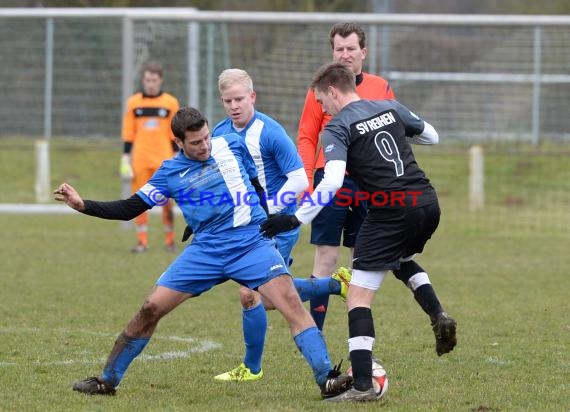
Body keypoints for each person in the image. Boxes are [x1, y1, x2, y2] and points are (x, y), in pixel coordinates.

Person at [54, 106, 352, 399]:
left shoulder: (232, 144)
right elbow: (131, 208)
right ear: (179, 143)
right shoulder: (170, 173)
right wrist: (84, 205)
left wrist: (262, 214)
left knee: (289, 303)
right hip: (206, 250)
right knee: (150, 307)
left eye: (207, 137)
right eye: (196, 142)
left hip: (250, 242)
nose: (205, 146)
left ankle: (326, 378)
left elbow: (255, 182)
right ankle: (108, 380)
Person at [261, 62, 458, 402]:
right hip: (425, 201)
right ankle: (438, 314)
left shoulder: (337, 128)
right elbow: (431, 135)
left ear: (333, 92)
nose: (322, 109)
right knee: (402, 259)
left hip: (391, 212)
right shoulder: (388, 106)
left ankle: (364, 385)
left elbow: (333, 180)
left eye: (322, 102)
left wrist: (295, 219)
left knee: (357, 296)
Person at [189, 68, 352, 382]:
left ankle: (251, 368)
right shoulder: (220, 134)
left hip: (277, 224)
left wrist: (268, 210)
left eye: (239, 98)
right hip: (247, 226)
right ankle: (335, 285)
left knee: (252, 294)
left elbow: (299, 179)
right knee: (267, 295)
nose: (234, 105)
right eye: (227, 100)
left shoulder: (270, 132)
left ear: (252, 97)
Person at [297, 22, 395, 331]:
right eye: (339, 49)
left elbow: (392, 133)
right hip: (330, 180)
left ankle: (359, 332)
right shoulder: (319, 90)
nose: (345, 54)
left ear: (363, 52)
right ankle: (314, 330)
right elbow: (306, 137)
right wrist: (307, 182)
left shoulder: (380, 87)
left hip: (368, 183)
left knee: (362, 258)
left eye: (350, 48)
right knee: (326, 255)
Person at [120, 60, 180, 253]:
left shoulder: (170, 103)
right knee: (139, 201)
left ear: (160, 80)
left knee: (167, 202)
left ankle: (170, 240)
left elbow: (175, 132)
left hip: (164, 159)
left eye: (154, 80)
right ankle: (142, 241)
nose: (150, 83)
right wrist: (125, 157)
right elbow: (129, 132)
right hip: (140, 159)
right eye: (147, 80)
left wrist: (178, 156)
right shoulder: (134, 103)